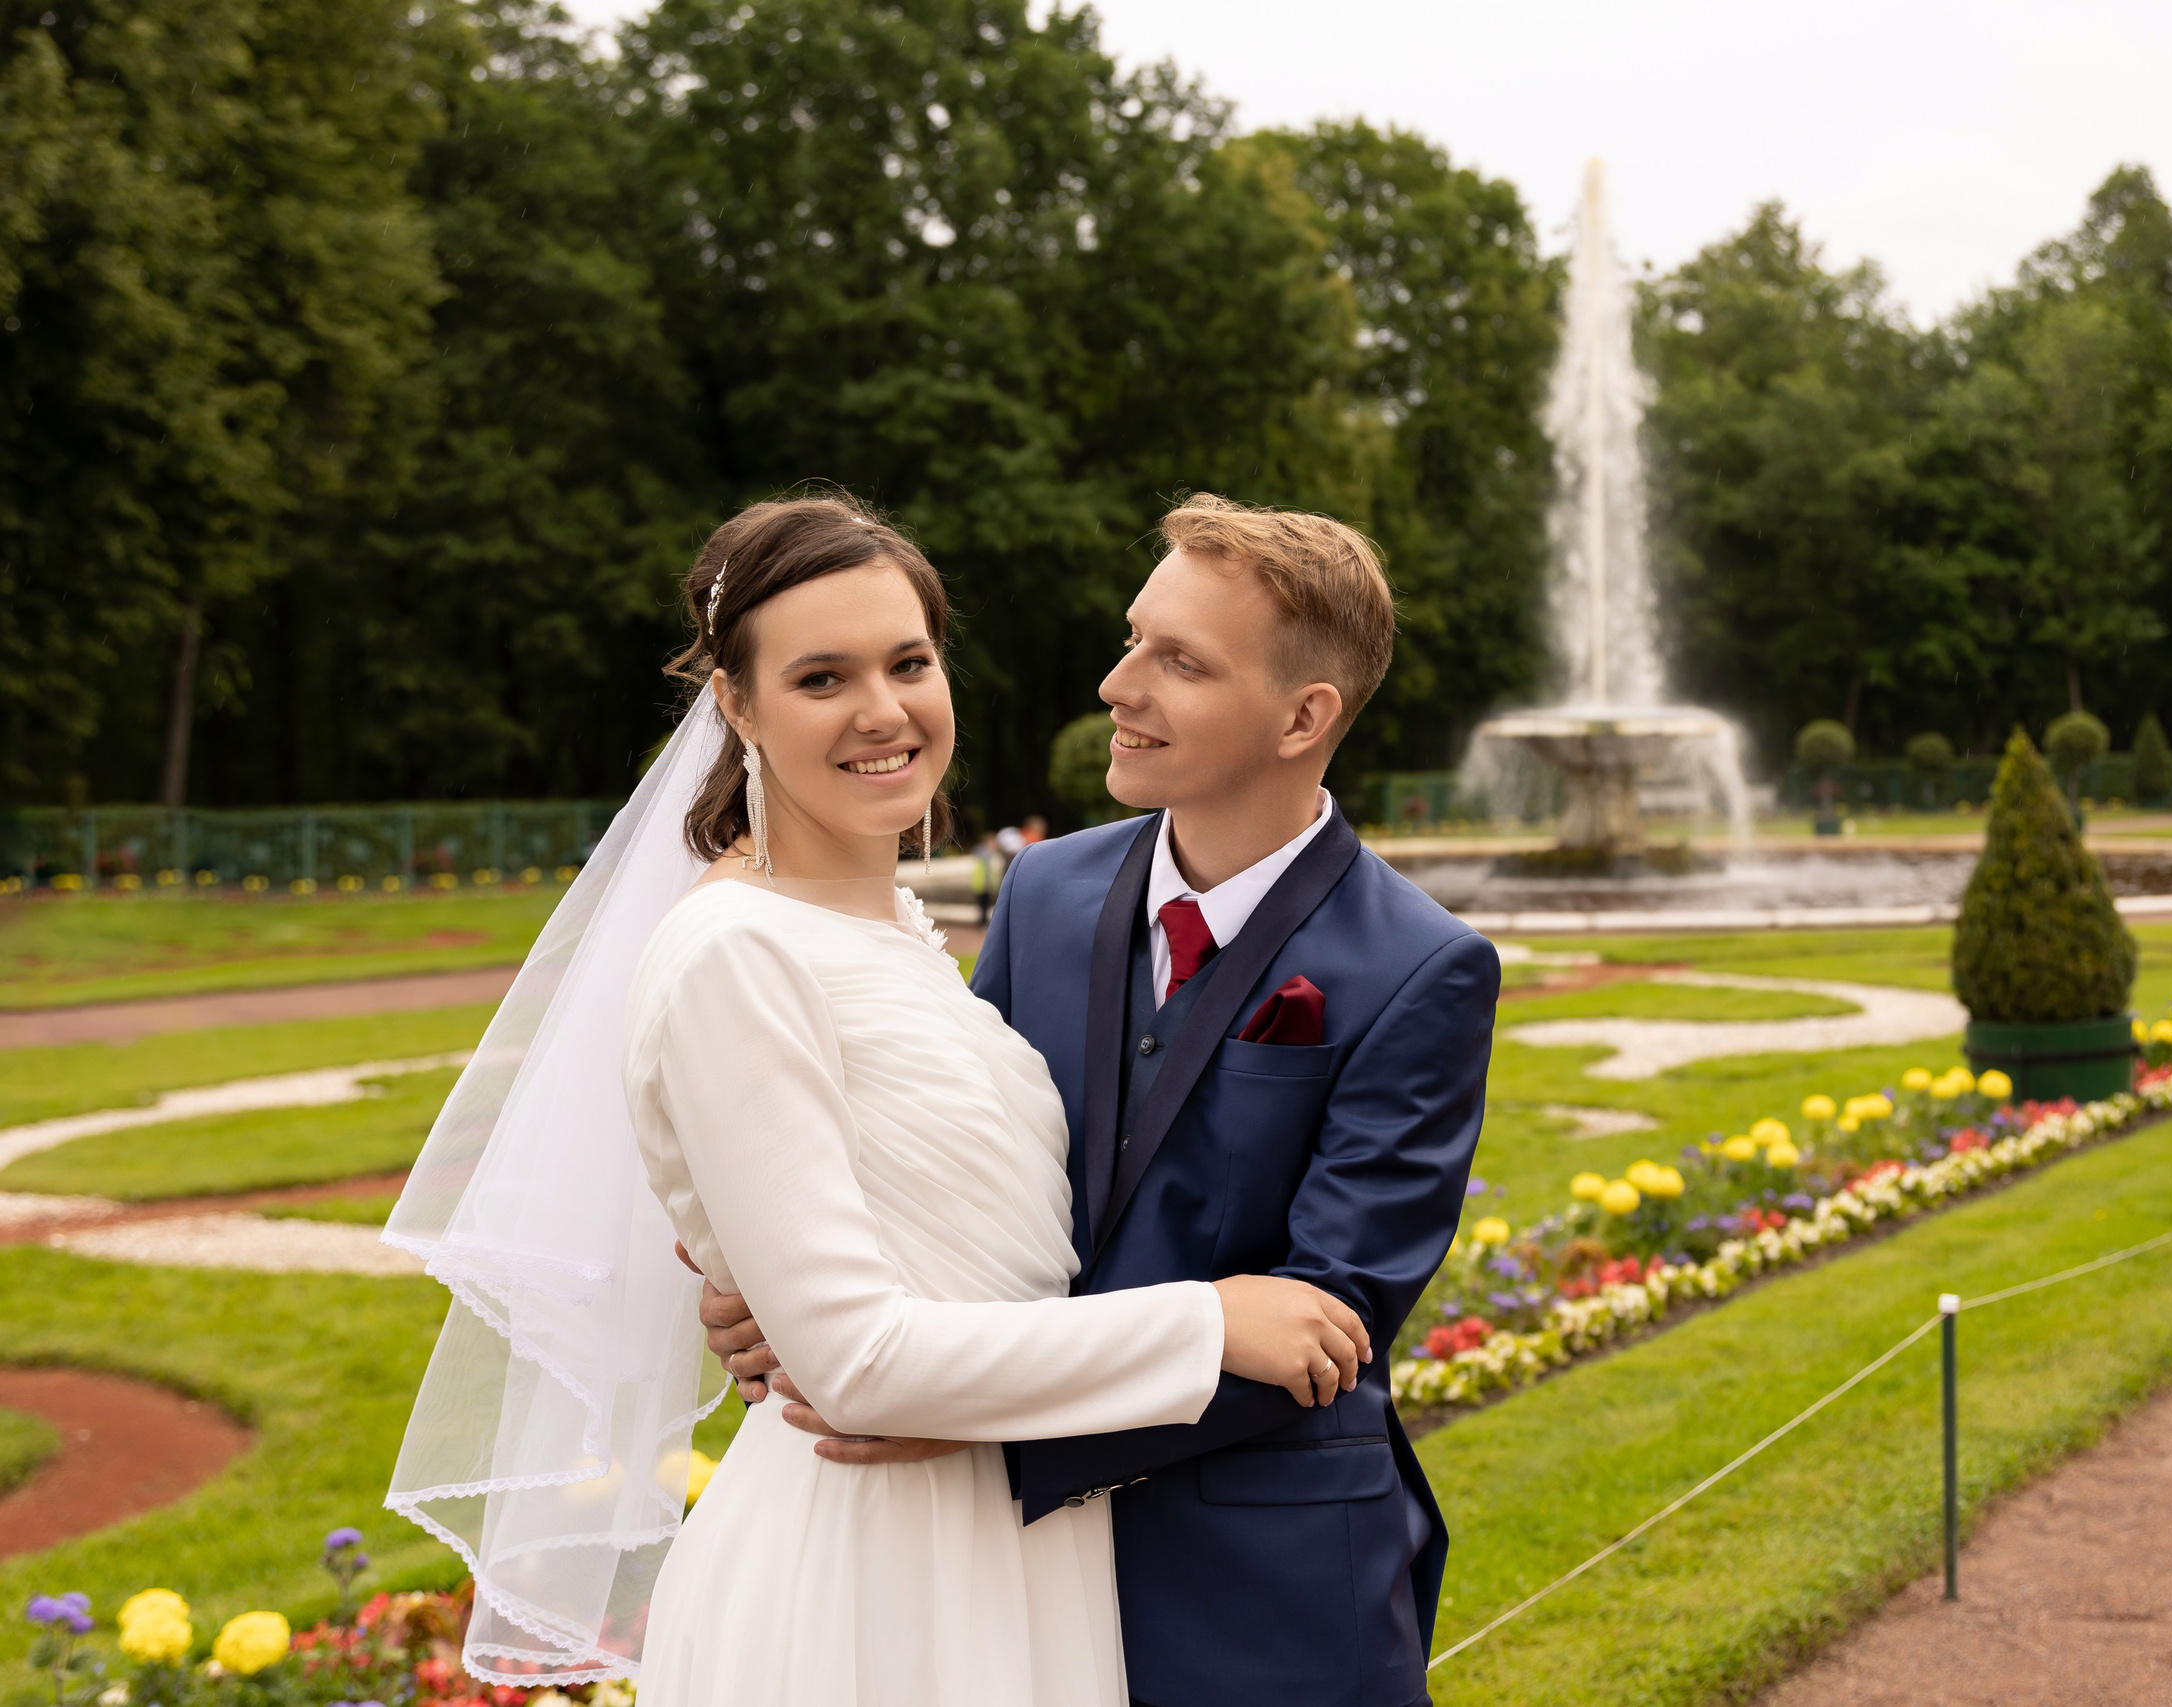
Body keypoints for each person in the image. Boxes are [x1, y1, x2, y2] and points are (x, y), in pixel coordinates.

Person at [381, 495, 1372, 1704]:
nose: (883, 711)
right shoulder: (732, 958)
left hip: (1020, 1535)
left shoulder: (897, 932)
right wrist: (1209, 1325)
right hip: (868, 1573)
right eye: (819, 678)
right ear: (736, 705)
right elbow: (855, 1365)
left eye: (908, 662)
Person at [703, 494, 1501, 1707]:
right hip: (994, 1580)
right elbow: (954, 1156)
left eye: (1177, 660)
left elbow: (1326, 1319)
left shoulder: (1423, 968)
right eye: (1136, 637)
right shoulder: (1049, 891)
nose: (1116, 683)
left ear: (1303, 715)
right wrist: (771, 1289)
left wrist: (979, 1421)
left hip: (1261, 1580)